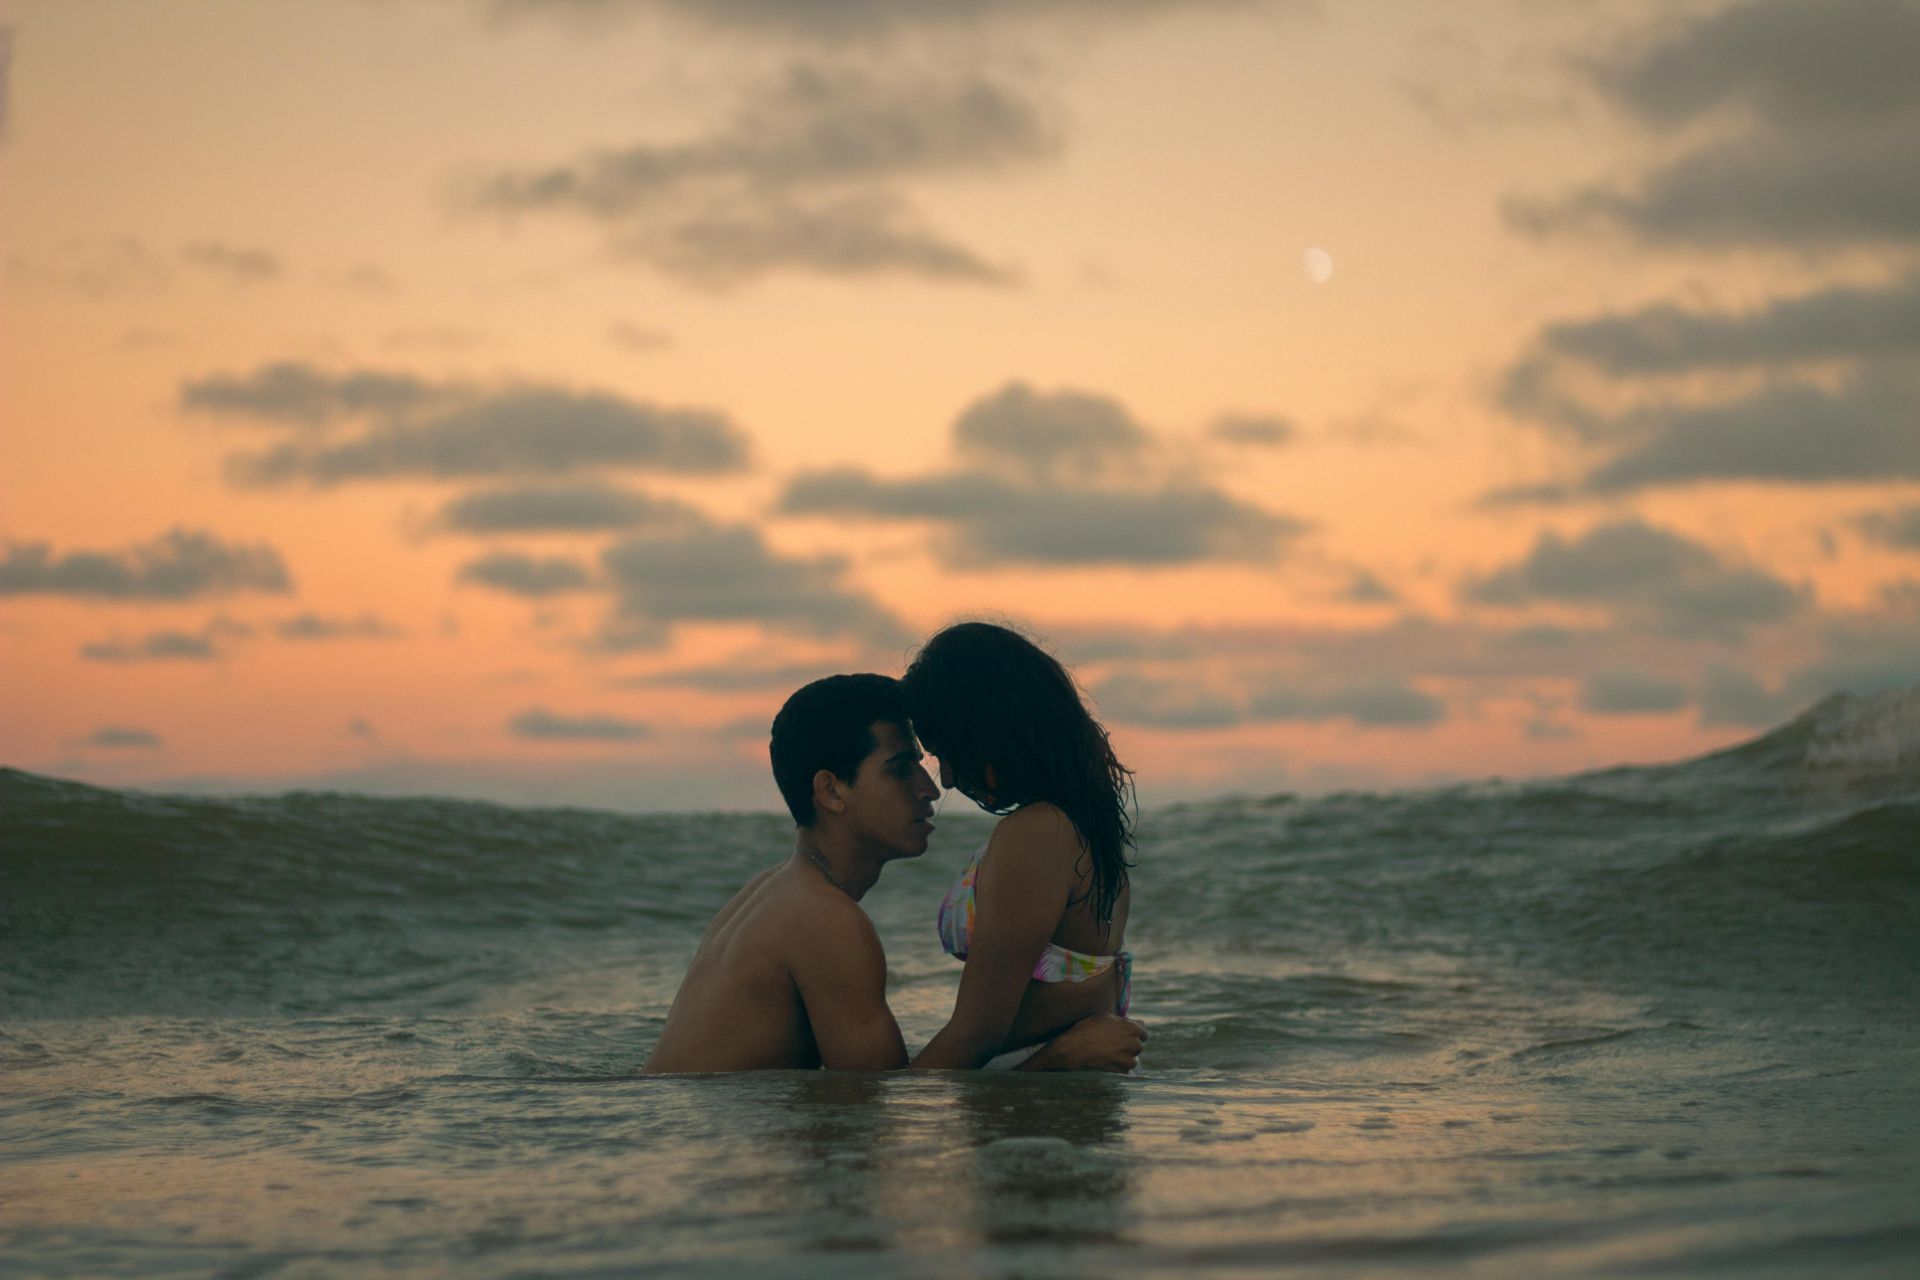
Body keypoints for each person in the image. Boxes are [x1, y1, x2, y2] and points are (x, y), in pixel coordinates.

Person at [641, 673, 1145, 1074]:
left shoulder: (775, 892)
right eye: (901, 768)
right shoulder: (826, 922)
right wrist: (1057, 1060)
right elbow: (885, 1115)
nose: (930, 787)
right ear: (832, 791)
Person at [902, 622, 1137, 1070]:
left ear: (989, 733)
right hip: (1048, 1092)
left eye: (945, 753)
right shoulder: (1080, 825)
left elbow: (976, 1035)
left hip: (1036, 1094)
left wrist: (888, 1110)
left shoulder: (1037, 833)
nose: (947, 778)